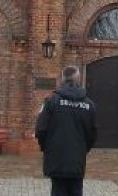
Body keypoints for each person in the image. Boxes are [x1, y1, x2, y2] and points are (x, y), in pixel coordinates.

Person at [35, 65, 98, 196]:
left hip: (56, 158)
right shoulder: (89, 105)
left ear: (62, 79)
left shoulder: (51, 102)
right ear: (78, 79)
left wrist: (46, 148)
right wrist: (82, 149)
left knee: (57, 190)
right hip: (77, 160)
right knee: (76, 190)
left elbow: (41, 129)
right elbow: (93, 134)